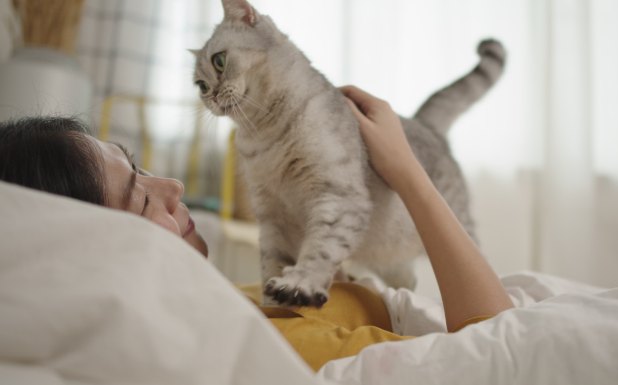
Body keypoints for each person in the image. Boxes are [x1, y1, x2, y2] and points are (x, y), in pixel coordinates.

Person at [0, 86, 513, 371]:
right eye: (140, 197)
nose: (172, 185)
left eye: (140, 166)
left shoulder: (227, 301)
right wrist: (407, 172)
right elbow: (499, 345)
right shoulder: (268, 350)